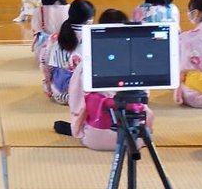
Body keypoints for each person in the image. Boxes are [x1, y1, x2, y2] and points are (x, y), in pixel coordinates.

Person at [59, 9, 152, 150]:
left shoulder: (87, 64)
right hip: (136, 138)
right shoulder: (137, 62)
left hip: (95, 138)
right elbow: (143, 98)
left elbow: (77, 103)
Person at [45, 0, 95, 105]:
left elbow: (47, 67)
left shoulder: (55, 37)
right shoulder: (93, 37)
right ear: (89, 19)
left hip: (59, 93)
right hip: (83, 94)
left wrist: (49, 87)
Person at [31, 0, 70, 68]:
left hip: (44, 55)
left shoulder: (38, 10)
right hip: (67, 53)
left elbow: (36, 32)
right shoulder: (70, 9)